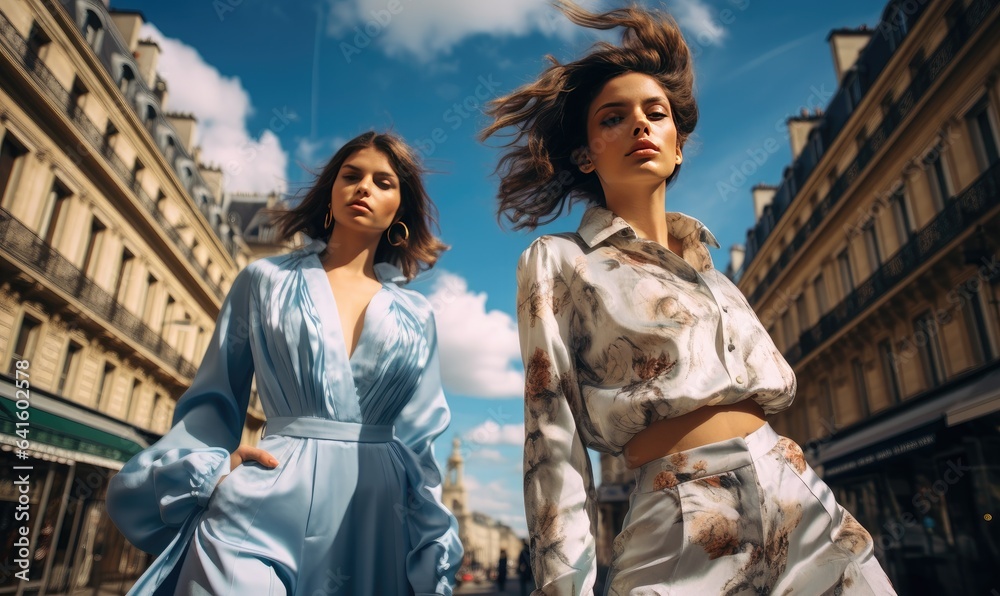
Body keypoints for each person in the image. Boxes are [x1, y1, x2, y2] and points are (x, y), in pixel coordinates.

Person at [481, 2, 896, 594]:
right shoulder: (560, 260)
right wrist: (562, 586)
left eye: (656, 113)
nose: (640, 125)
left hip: (800, 499)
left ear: (677, 145)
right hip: (680, 516)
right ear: (585, 153)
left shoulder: (717, 275)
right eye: (613, 118)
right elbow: (551, 436)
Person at [107, 131, 463, 595]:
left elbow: (421, 440)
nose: (364, 188)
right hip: (264, 494)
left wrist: (432, 543)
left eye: (383, 182)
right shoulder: (263, 280)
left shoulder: (417, 316)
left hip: (377, 511)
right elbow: (214, 397)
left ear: (399, 211)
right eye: (351, 176)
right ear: (330, 196)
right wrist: (213, 465)